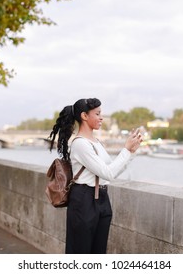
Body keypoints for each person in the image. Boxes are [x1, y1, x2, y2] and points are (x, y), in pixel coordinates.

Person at [49, 98, 142, 254]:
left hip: (102, 198)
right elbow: (109, 173)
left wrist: (130, 152)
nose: (101, 118)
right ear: (84, 116)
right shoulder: (80, 144)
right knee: (81, 252)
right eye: (97, 114)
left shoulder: (96, 142)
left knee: (99, 252)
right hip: (84, 200)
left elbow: (111, 171)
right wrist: (125, 150)